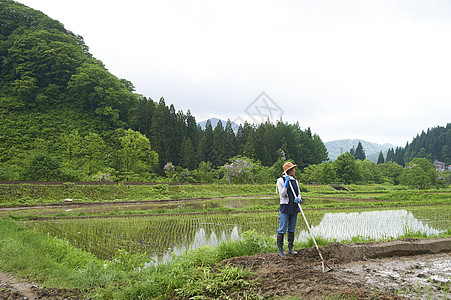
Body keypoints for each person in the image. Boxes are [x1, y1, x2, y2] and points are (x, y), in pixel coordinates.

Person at [276, 161, 302, 257]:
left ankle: (290, 248)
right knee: (282, 228)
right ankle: (280, 250)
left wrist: (299, 198)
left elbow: (298, 192)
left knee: (292, 228)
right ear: (289, 170)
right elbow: (282, 195)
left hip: (294, 206)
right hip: (285, 206)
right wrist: (285, 185)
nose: (294, 170)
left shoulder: (295, 181)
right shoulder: (280, 181)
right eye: (293, 169)